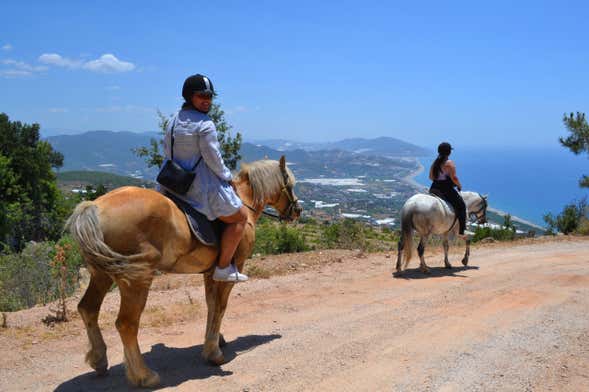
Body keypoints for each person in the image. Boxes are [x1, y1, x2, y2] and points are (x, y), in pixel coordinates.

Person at [160, 74, 248, 282]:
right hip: (199, 185)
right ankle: (224, 267)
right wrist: (228, 177)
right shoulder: (205, 124)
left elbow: (166, 149)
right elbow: (213, 159)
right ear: (190, 96)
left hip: (171, 180)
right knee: (241, 217)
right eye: (202, 96)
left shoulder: (173, 120)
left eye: (210, 96)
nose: (207, 100)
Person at [429, 142, 467, 239]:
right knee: (461, 206)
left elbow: (430, 177)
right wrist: (459, 185)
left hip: (434, 188)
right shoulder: (449, 163)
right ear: (449, 152)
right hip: (445, 189)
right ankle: (461, 231)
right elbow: (454, 177)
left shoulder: (435, 162)